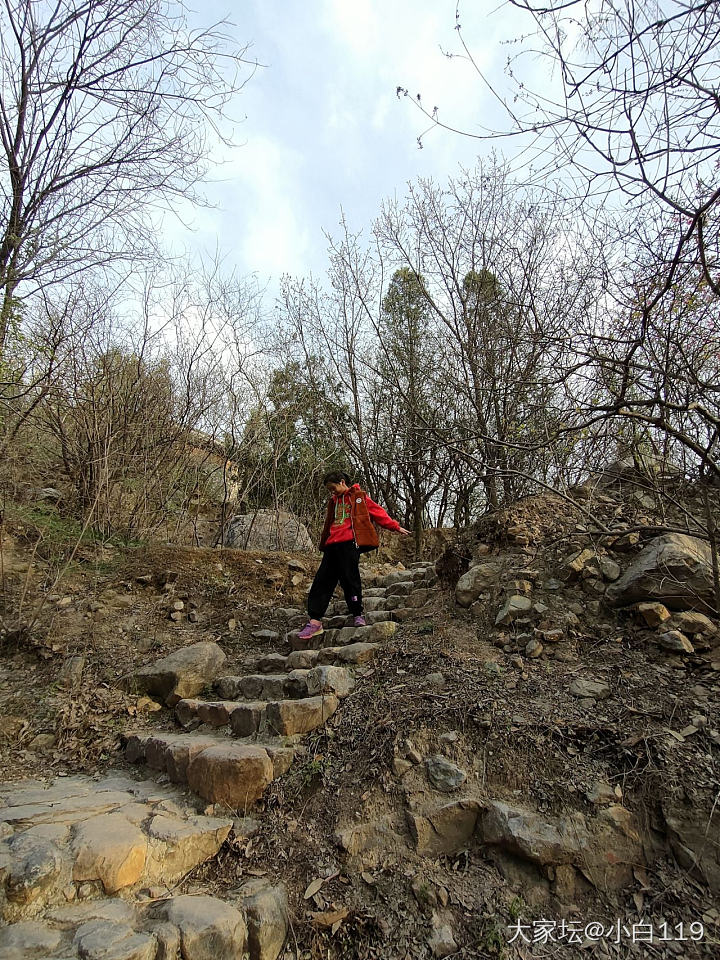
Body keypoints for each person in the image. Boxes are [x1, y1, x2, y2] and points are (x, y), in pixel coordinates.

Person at [297, 470, 410, 641]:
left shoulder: (359, 497)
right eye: (329, 490)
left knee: (350, 579)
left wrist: (395, 526)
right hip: (332, 546)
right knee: (322, 580)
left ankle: (357, 613)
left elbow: (378, 512)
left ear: (342, 482)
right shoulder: (333, 502)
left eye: (333, 488)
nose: (332, 492)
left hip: (349, 544)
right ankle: (315, 621)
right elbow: (329, 523)